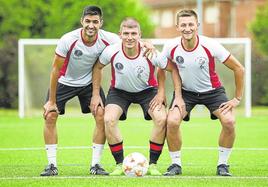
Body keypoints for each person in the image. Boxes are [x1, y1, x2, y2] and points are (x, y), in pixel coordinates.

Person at [91, 17, 184, 176]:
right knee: (108, 119)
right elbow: (97, 67)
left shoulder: (149, 51)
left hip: (148, 91)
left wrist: (161, 92)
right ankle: (120, 165)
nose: (129, 37)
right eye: (126, 33)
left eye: (133, 33)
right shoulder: (112, 51)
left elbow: (171, 68)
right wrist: (95, 94)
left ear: (139, 35)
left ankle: (153, 165)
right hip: (119, 92)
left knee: (161, 119)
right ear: (120, 34)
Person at [161, 10, 245, 176]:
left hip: (213, 92)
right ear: (177, 27)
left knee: (229, 122)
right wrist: (161, 92)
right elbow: (161, 67)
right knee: (171, 122)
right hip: (185, 93)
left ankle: (223, 165)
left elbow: (239, 68)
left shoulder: (210, 45)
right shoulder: (170, 46)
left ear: (197, 25)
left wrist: (237, 98)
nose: (187, 28)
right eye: (183, 25)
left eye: (191, 24)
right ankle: (175, 165)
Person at [40, 5, 121, 176]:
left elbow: (130, 43)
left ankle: (96, 165)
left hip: (89, 84)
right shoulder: (68, 40)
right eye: (88, 21)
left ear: (101, 23)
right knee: (50, 115)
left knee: (101, 115)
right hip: (64, 81)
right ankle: (52, 165)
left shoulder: (110, 39)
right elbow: (55, 70)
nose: (91, 25)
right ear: (82, 21)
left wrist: (147, 45)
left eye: (95, 22)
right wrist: (51, 101)